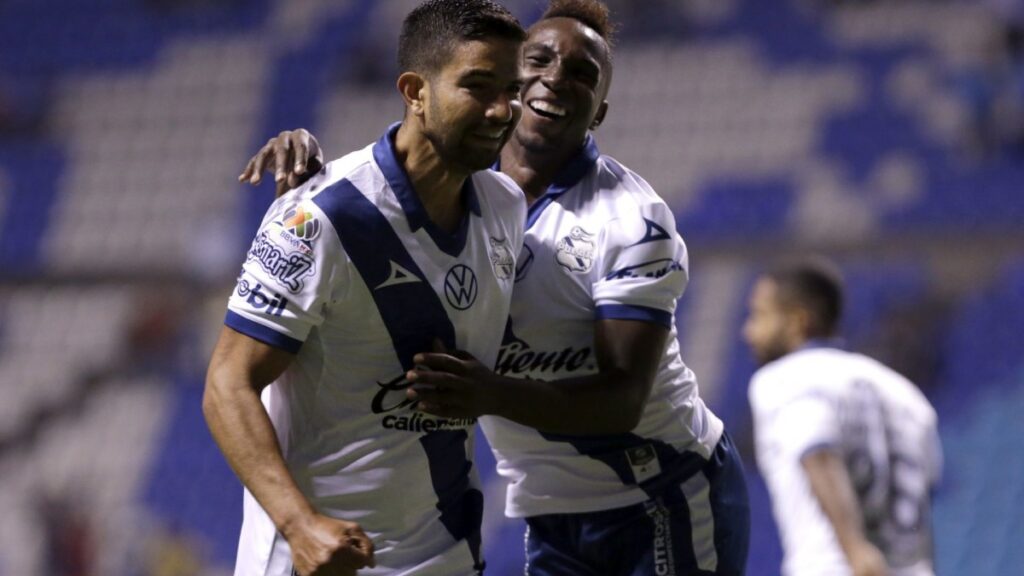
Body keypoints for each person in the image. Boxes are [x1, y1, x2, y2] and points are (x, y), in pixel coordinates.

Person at [243, 2, 751, 574]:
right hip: (548, 508)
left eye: (581, 73)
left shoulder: (631, 220)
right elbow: (380, 177)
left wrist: (489, 394)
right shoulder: (465, 188)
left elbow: (622, 400)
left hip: (659, 491)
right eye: (540, 60)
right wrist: (309, 156)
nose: (556, 77)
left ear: (599, 112)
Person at [203, 1, 527, 575]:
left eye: (512, 89)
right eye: (479, 86)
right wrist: (300, 526)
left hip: (447, 555)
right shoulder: (318, 217)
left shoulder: (505, 206)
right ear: (415, 91)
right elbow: (228, 384)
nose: (504, 109)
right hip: (322, 558)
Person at [742, 260, 942, 576]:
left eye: (760, 315)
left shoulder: (783, 378)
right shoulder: (906, 394)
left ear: (797, 321)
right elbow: (926, 492)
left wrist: (855, 550)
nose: (749, 331)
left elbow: (817, 452)